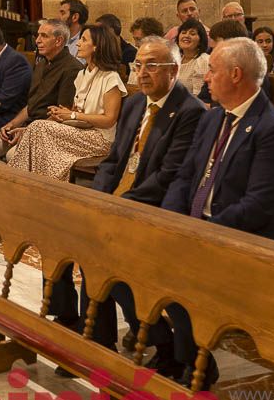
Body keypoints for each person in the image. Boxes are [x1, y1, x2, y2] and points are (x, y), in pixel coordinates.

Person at [160, 38, 274, 387]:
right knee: (130, 257)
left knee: (174, 272)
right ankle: (179, 356)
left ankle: (193, 366)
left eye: (213, 70)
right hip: (200, 227)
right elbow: (186, 175)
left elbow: (258, 205)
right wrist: (170, 220)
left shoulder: (273, 129)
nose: (206, 77)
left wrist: (202, 233)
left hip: (245, 238)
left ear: (236, 75)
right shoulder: (213, 119)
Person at [68, 36, 206, 364]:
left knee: (108, 259)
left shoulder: (189, 111)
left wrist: (119, 206)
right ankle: (99, 341)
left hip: (155, 207)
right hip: (122, 201)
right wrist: (99, 199)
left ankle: (157, 338)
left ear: (174, 70)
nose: (142, 72)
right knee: (86, 244)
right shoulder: (134, 104)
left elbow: (168, 175)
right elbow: (114, 160)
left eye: (151, 66)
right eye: (138, 65)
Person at [7, 24, 127, 181]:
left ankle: (30, 183)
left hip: (100, 139)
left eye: (83, 40)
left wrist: (72, 114)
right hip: (81, 132)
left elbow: (109, 120)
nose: (77, 43)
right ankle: (36, 184)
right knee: (36, 132)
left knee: (38, 128)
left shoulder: (110, 78)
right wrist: (62, 114)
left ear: (97, 46)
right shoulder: (82, 74)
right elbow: (77, 111)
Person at [0, 19, 79, 160]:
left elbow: (62, 114)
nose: (37, 40)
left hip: (47, 132)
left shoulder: (72, 68)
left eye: (44, 36)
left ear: (58, 41)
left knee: (12, 156)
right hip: (28, 126)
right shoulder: (42, 63)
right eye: (37, 35)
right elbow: (31, 105)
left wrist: (29, 131)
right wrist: (12, 124)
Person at [197, 19, 248, 105]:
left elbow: (244, 104)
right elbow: (203, 97)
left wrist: (211, 107)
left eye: (215, 48)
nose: (207, 78)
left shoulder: (250, 69)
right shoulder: (217, 66)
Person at [175, 17, 210, 96]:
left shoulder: (203, 61)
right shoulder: (176, 60)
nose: (186, 36)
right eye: (183, 32)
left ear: (200, 40)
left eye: (192, 33)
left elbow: (198, 97)